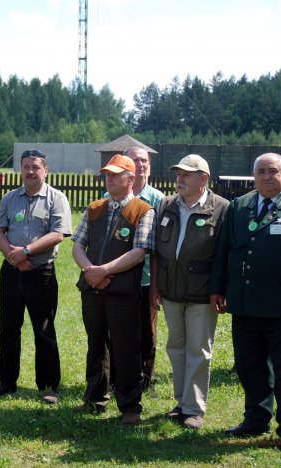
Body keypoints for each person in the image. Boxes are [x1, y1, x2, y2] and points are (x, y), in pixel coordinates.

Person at [210, 153, 281, 452]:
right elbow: (225, 251)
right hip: (244, 303)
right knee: (250, 366)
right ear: (253, 176)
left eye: (273, 171)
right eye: (261, 172)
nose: (267, 177)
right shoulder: (238, 207)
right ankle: (256, 419)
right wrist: (217, 288)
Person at [71, 154, 154, 425]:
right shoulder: (95, 207)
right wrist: (89, 271)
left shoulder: (143, 211)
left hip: (123, 293)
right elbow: (77, 245)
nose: (110, 178)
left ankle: (130, 407)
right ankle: (95, 397)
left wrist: (103, 271)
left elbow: (140, 252)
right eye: (108, 174)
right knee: (96, 345)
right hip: (92, 289)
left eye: (116, 175)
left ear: (131, 179)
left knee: (126, 348)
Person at [0, 149, 72, 404]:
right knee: (8, 328)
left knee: (43, 329)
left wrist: (26, 252)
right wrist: (13, 256)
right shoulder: (10, 198)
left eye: (35, 167)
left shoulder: (56, 199)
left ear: (46, 170)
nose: (30, 171)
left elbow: (58, 234)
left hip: (41, 273)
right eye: (26, 167)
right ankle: (6, 381)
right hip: (11, 272)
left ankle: (48, 386)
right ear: (21, 170)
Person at [150, 154, 229, 429]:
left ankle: (194, 409)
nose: (179, 179)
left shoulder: (221, 208)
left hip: (202, 293)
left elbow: (224, 255)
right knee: (176, 349)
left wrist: (218, 290)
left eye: (186, 174)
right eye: (178, 174)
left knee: (198, 350)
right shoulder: (166, 204)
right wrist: (156, 288)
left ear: (203, 179)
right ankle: (181, 403)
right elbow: (157, 251)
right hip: (170, 291)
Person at [124, 146, 164, 390]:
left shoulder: (159, 200)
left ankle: (145, 378)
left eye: (144, 161)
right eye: (135, 160)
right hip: (118, 276)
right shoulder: (113, 195)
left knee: (147, 332)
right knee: (118, 329)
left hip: (148, 276)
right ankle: (119, 376)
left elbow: (160, 247)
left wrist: (156, 287)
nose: (140, 165)